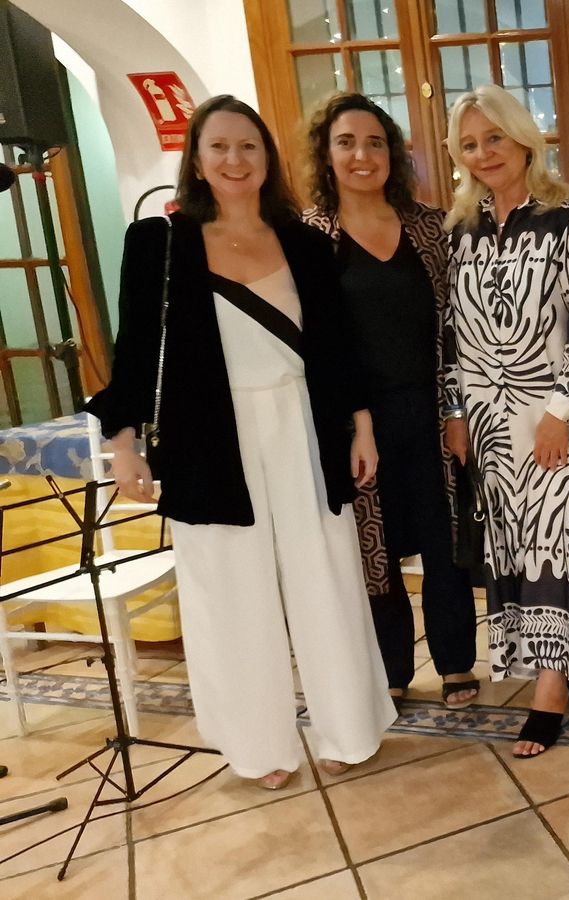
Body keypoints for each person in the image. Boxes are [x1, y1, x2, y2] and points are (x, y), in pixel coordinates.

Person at [90, 95, 394, 789]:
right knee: (231, 594)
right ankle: (258, 748)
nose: (235, 160)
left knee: (327, 581)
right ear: (196, 160)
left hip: (304, 426)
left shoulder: (304, 242)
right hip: (207, 441)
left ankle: (348, 727)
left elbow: (337, 347)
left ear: (268, 158)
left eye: (248, 146)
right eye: (220, 147)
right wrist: (124, 444)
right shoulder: (158, 244)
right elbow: (135, 352)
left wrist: (362, 426)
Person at [443, 84, 569, 759]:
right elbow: (449, 333)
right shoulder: (460, 231)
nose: (484, 153)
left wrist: (561, 413)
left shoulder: (568, 220)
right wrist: (455, 411)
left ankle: (553, 689)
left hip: (560, 414)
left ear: (523, 139)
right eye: (470, 144)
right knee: (517, 548)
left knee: (560, 545)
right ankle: (547, 666)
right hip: (490, 421)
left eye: (494, 138)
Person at [301, 92, 480, 709]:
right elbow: (315, 343)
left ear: (392, 154)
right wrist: (354, 423)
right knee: (372, 551)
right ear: (326, 155)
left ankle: (456, 662)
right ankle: (393, 670)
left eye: (375, 142)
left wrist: (456, 412)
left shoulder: (430, 227)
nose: (362, 155)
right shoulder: (310, 237)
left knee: (443, 541)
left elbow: (458, 329)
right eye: (346, 142)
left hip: (431, 411)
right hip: (353, 420)